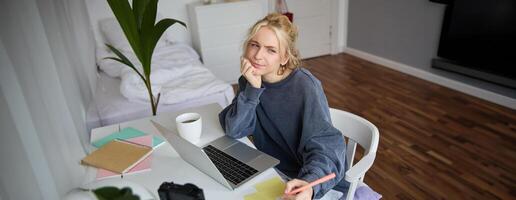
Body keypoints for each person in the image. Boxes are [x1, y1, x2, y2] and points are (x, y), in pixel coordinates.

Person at [218, 13, 349, 200]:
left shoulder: (305, 86)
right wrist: (253, 90)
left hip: (306, 181)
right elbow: (235, 129)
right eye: (254, 45)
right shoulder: (251, 79)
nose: (257, 56)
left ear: (285, 57)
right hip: (272, 171)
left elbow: (327, 145)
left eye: (271, 50)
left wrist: (309, 184)